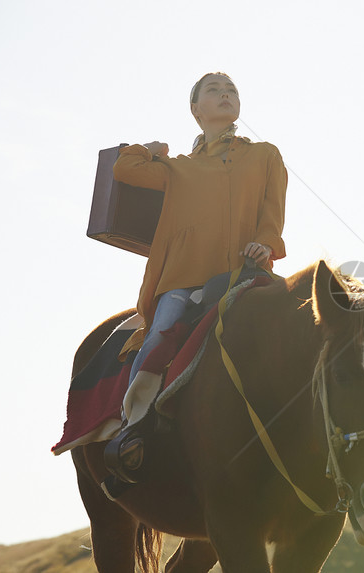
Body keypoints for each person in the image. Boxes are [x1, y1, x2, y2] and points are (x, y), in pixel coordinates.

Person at [105, 72, 288, 483]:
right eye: (214, 91)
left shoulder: (265, 155)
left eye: (232, 91)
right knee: (161, 331)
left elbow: (272, 214)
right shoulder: (177, 167)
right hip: (182, 281)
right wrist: (150, 150)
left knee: (294, 326)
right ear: (196, 110)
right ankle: (132, 432)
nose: (226, 94)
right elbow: (124, 168)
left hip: (244, 272)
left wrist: (265, 243)